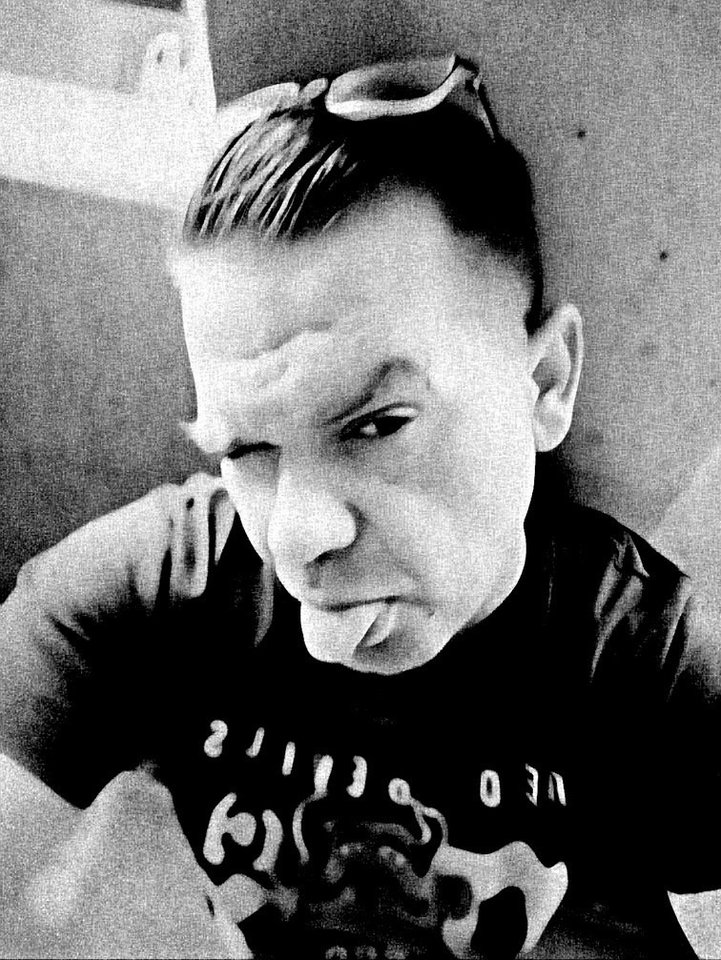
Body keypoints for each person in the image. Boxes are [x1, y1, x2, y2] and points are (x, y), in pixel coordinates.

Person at [0, 54, 719, 959]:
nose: (297, 537)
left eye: (378, 424)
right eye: (247, 450)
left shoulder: (649, 663)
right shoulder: (161, 585)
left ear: (544, 384)